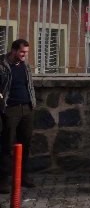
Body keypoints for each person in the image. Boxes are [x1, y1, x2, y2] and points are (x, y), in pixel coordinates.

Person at [0, 39, 37, 193]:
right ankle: (3, 180)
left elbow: (29, 84)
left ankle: (23, 176)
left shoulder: (25, 65)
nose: (24, 55)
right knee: (7, 144)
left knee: (25, 144)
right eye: (22, 52)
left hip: (27, 108)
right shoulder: (2, 65)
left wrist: (32, 102)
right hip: (10, 109)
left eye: (26, 52)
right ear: (14, 50)